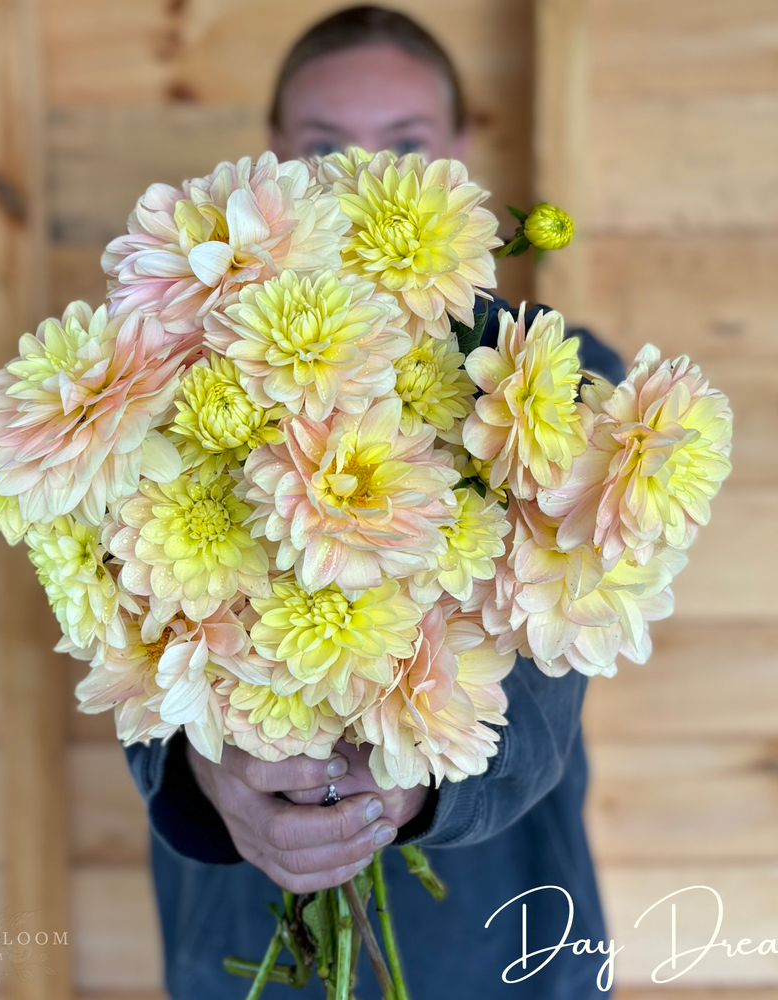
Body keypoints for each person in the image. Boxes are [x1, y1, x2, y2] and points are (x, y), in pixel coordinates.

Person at [123, 7, 625, 997]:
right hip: (245, 940)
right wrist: (206, 778)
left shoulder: (557, 377)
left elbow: (551, 663)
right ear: (274, 158)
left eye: (402, 143)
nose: (365, 178)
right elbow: (123, 617)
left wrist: (415, 785)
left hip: (502, 944)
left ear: (456, 153)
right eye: (324, 147)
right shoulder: (174, 368)